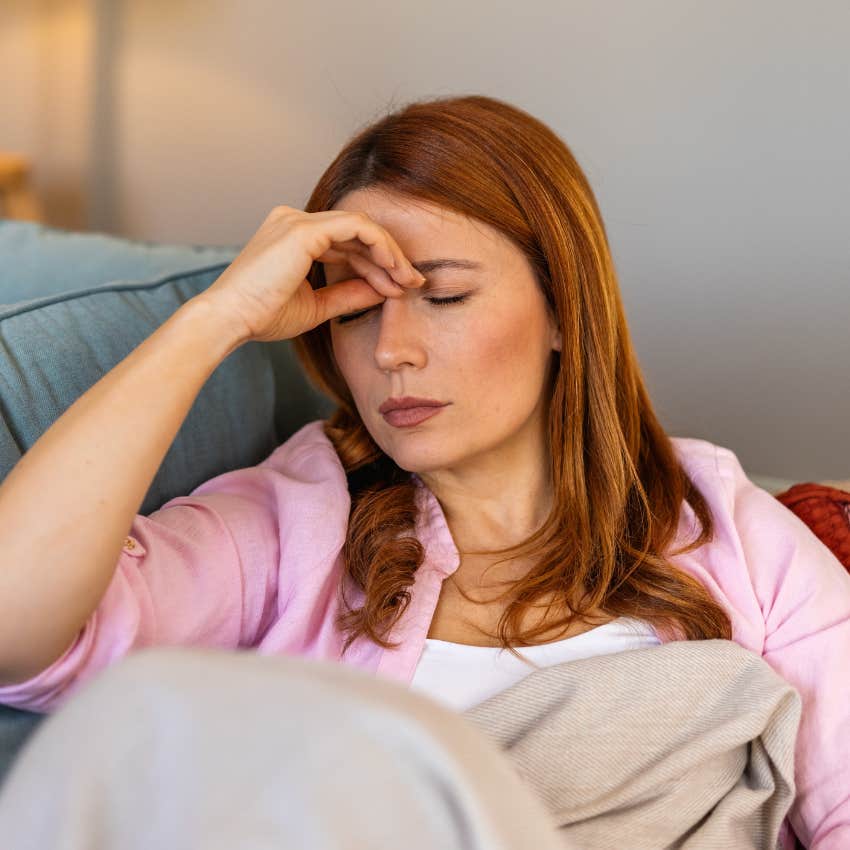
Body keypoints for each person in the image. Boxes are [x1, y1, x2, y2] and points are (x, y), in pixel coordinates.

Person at [0, 94, 847, 848]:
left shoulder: (727, 526)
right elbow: (14, 632)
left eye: (442, 297)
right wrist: (211, 321)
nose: (393, 352)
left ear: (562, 309)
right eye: (359, 311)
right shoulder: (288, 529)